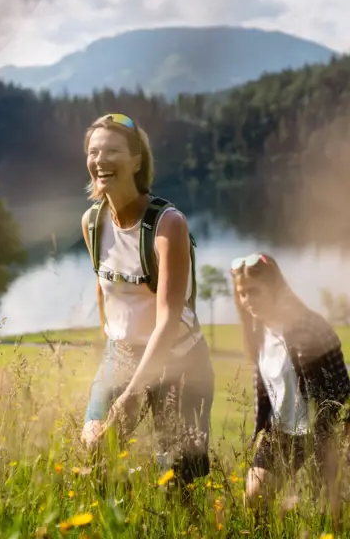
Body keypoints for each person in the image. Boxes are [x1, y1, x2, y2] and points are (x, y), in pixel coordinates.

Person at [80, 112, 214, 486]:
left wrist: (132, 394)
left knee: (177, 481)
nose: (100, 160)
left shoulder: (167, 224)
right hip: (122, 354)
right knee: (95, 454)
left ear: (137, 160)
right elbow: (104, 286)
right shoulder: (92, 222)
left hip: (179, 360)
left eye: (112, 150)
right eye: (93, 151)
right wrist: (110, 352)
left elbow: (169, 319)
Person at [230, 253, 350, 511]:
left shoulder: (310, 327)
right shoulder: (258, 331)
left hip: (322, 431)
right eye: (242, 294)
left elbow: (343, 386)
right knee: (253, 498)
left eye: (254, 292)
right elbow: (266, 389)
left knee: (330, 512)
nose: (247, 300)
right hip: (282, 432)